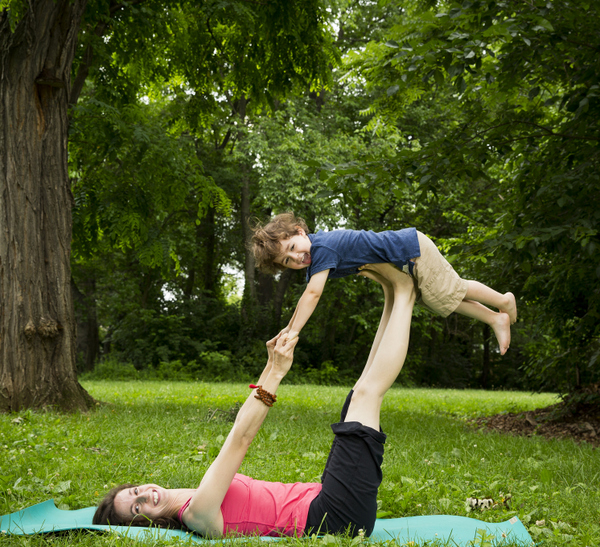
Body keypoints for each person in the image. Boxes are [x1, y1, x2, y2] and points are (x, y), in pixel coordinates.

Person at [93, 264, 417, 538]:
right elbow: (241, 438)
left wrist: (269, 364)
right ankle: (405, 292)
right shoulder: (198, 515)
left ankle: (392, 295)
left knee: (357, 397)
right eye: (137, 509)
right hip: (332, 517)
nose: (145, 496)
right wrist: (275, 372)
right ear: (146, 524)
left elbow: (240, 426)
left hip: (325, 499)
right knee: (366, 396)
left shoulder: (197, 495)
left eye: (135, 492)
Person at [251, 212, 517, 355]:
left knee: (451, 288)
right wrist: (287, 328)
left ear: (300, 232)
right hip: (408, 257)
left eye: (293, 247)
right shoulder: (318, 256)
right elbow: (305, 298)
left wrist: (294, 332)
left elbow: (311, 295)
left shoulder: (321, 248)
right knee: (437, 300)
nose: (297, 257)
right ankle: (494, 318)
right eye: (288, 260)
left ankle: (503, 301)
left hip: (412, 250)